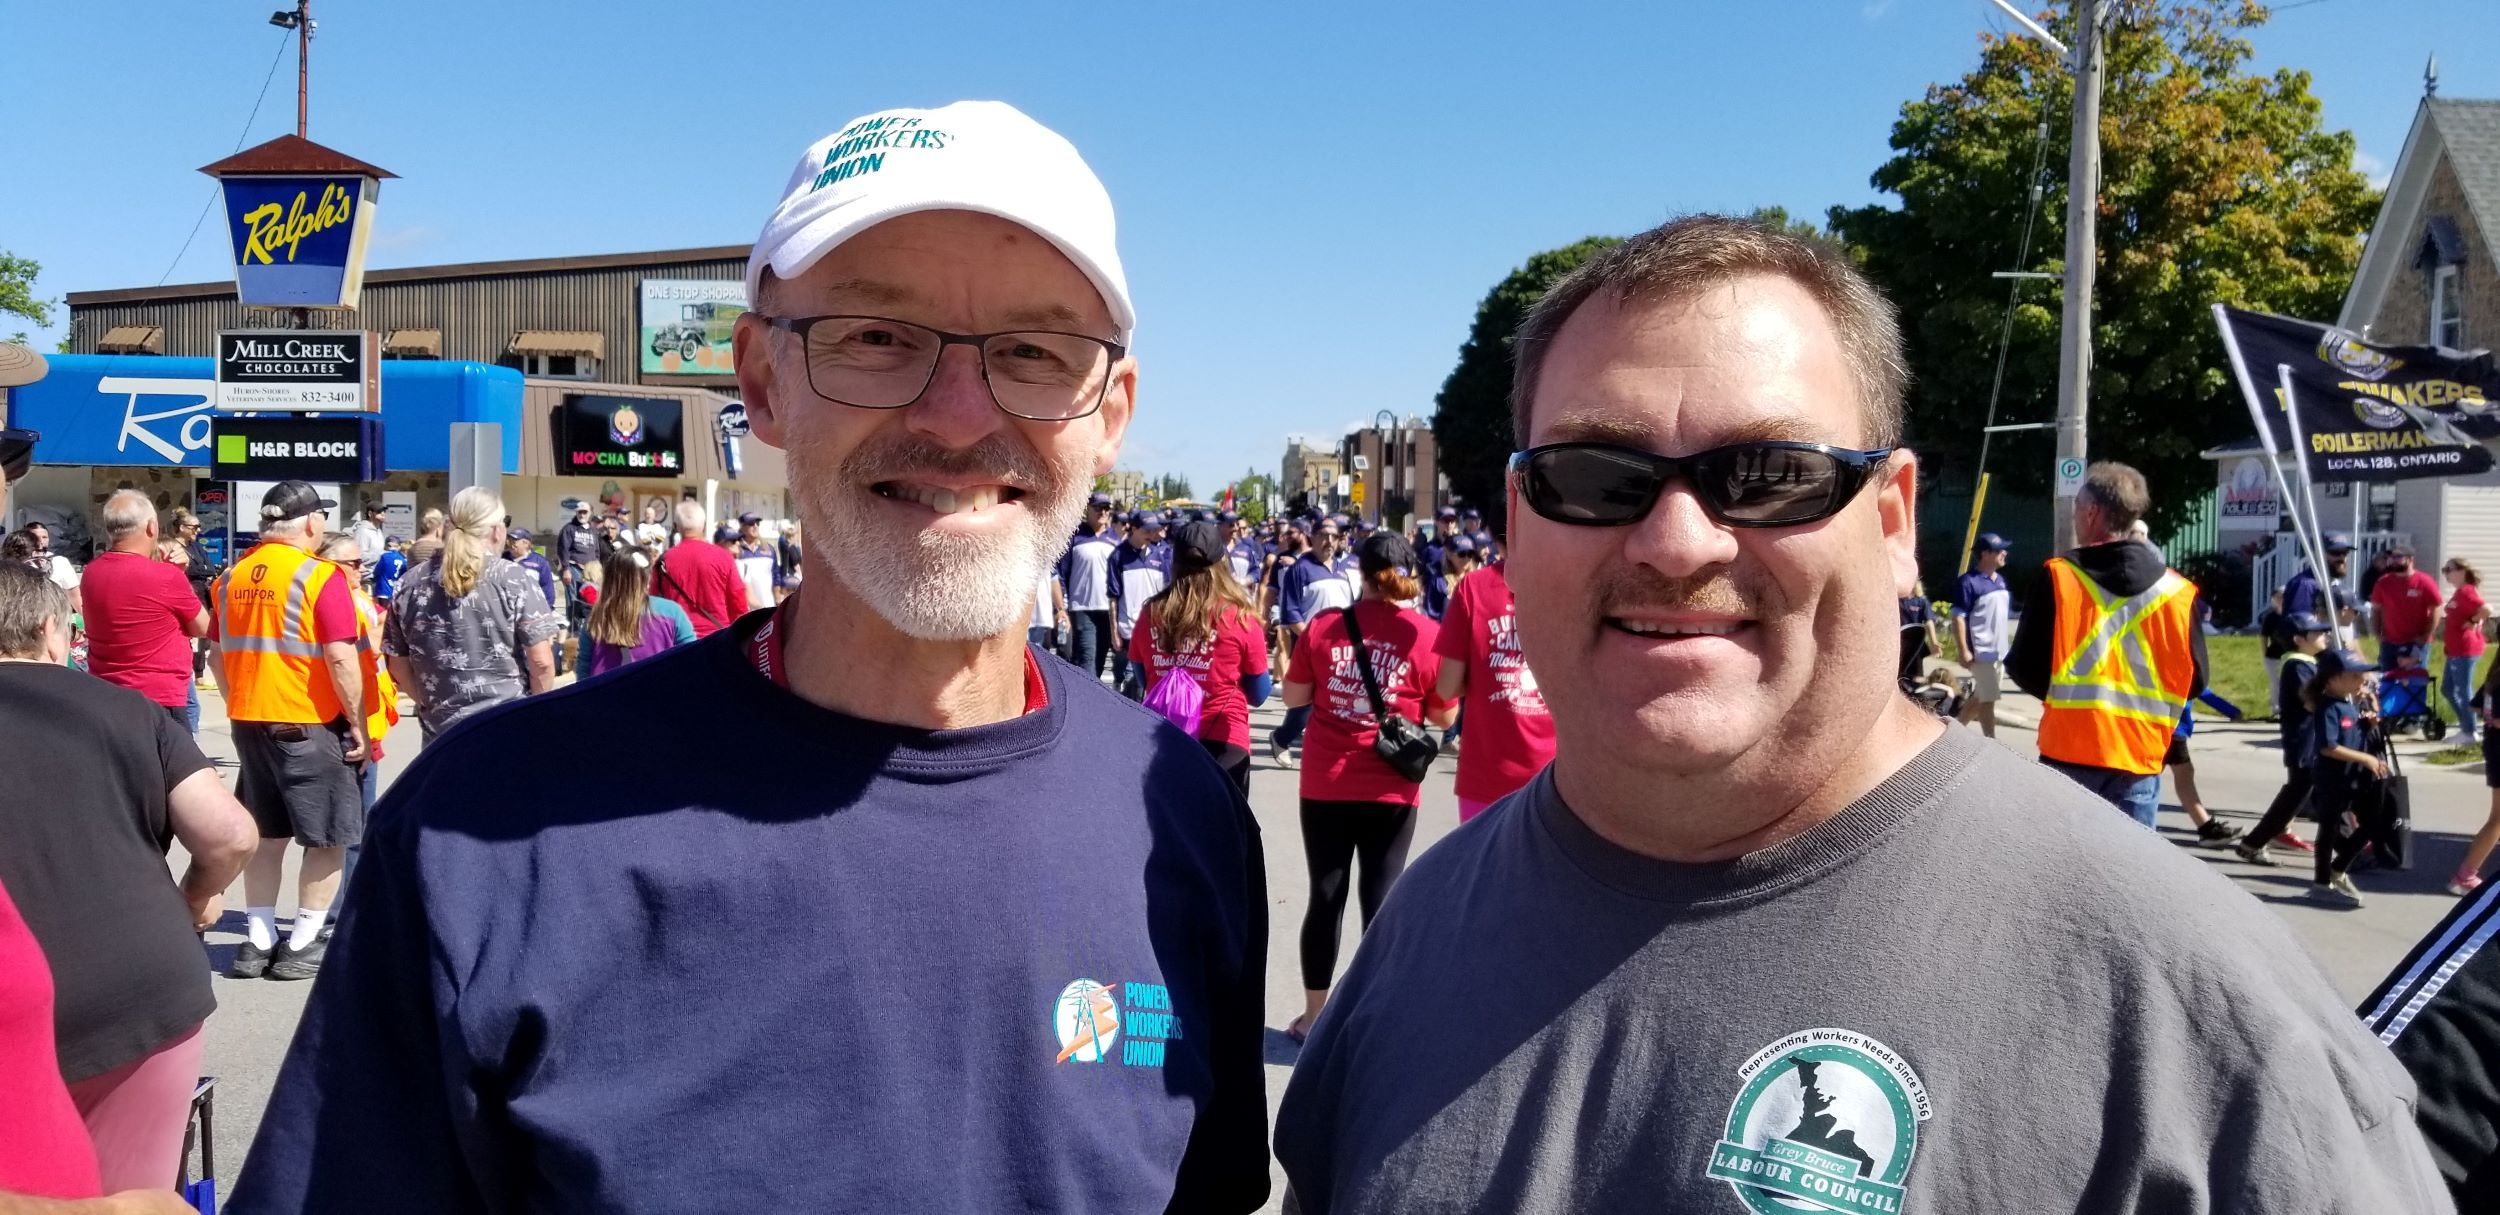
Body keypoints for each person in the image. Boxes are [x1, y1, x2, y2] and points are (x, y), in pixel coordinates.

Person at [1271, 214, 2447, 1212]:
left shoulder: (2195, 1015)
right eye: (1593, 476)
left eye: (1771, 474)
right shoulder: (1425, 926)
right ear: (1518, 527)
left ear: (1890, 520)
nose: (1677, 542)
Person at [233, 100, 1270, 1213]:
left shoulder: (1182, 821)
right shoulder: (486, 830)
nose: (962, 417)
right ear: (762, 382)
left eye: (1034, 349)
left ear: (1109, 411)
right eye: (877, 336)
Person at [0, 563, 258, 1192]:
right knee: (133, 1198)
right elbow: (230, 833)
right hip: (140, 988)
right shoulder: (128, 710)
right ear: (48, 629)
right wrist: (193, 898)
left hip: (16, 998)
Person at [1280, 532, 1450, 1043]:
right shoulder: (1425, 634)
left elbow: (1293, 696)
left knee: (1325, 897)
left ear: (1359, 570)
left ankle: (1314, 1017)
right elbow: (1444, 714)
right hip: (1392, 787)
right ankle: (1379, 1017)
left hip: (1327, 779)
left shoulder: (1326, 626)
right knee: (1383, 900)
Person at [211, 480, 369, 983]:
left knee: (265, 835)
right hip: (307, 721)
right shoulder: (320, 577)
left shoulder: (231, 576)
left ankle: (258, 940)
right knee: (326, 838)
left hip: (248, 719)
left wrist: (239, 694)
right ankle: (302, 941)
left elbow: (217, 654)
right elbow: (341, 657)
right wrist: (359, 723)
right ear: (309, 523)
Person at [2007, 462, 2208, 828]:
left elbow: (2023, 667)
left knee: (2058, 876)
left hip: (2068, 754)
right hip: (2139, 760)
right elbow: (2196, 681)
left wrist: (2071, 701)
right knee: (2125, 880)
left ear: (2091, 512)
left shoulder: (2059, 576)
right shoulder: (2180, 592)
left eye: (2076, 508)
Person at [383, 486, 559, 743]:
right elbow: (541, 662)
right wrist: (536, 710)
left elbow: (397, 663)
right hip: (507, 727)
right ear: (497, 531)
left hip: (441, 734)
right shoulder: (513, 578)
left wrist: (430, 704)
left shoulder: (409, 583)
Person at [1129, 519, 1270, 794]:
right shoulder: (1240, 617)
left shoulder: (1151, 614)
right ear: (1222, 562)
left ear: (1175, 562)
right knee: (1227, 833)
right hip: (1224, 742)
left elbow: (1141, 675)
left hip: (1165, 739)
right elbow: (1259, 693)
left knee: (1169, 833)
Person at [1431, 543, 1548, 818]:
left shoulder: (1474, 587)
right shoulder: (1571, 582)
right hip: (1557, 776)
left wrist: (1485, 679)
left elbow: (1447, 686)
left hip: (1487, 772)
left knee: (1487, 861)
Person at [76, 491, 209, 733]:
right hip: (160, 697)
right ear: (151, 527)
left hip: (108, 692)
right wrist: (176, 573)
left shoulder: (92, 573)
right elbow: (202, 626)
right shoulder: (166, 576)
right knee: (176, 770)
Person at [2237, 612, 2333, 866]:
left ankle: (2259, 839)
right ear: (2299, 639)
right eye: (2317, 633)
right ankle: (2254, 842)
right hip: (2303, 740)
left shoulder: (2307, 662)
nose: (2325, 636)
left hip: (2310, 740)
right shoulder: (2297, 665)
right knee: (2298, 792)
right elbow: (2311, 702)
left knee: (2304, 791)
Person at [2305, 647, 2387, 908]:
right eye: (2353, 676)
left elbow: (2363, 734)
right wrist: (2365, 759)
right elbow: (2328, 746)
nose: (2361, 680)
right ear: (2332, 679)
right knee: (2328, 829)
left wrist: (2372, 717)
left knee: (2375, 821)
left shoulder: (2351, 704)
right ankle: (2322, 881)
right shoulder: (2328, 707)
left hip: (2355, 778)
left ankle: (2338, 867)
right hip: (2332, 778)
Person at [579, 548, 695, 678]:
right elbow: (692, 659)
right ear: (647, 578)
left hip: (606, 695)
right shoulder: (672, 612)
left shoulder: (596, 617)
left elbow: (584, 670)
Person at [652, 500, 746, 639]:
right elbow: (738, 604)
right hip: (717, 639)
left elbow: (654, 606)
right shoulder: (723, 557)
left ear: (676, 527)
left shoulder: (663, 561)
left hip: (677, 643)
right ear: (704, 526)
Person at [1951, 532, 2012, 737]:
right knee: (1987, 699)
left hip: (1999, 653)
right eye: (1999, 550)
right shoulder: (1968, 582)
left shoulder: (2000, 581)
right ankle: (1991, 741)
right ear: (1985, 554)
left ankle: (1954, 731)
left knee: (1982, 696)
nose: (2005, 553)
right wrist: (1964, 650)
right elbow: (1958, 618)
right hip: (1981, 652)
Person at [1057, 492, 1120, 682]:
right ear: (1088, 509)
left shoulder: (1115, 540)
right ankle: (1090, 705)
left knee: (1099, 660)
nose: (1102, 512)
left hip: (1107, 609)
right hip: (1082, 608)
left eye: (1106, 509)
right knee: (1087, 659)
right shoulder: (1076, 537)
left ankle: (1090, 696)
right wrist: (1062, 606)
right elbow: (1061, 573)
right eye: (1098, 508)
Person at [1109, 510, 1170, 698]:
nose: (1151, 534)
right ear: (1133, 528)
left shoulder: (1160, 556)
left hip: (1155, 629)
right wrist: (1114, 632)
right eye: (1146, 530)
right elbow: (1113, 597)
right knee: (1127, 675)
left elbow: (1168, 592)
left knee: (1143, 678)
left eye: (1153, 530)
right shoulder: (1118, 556)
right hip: (1127, 628)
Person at [167, 511, 218, 691]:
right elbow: (189, 570)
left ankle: (199, 673)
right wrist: (200, 569)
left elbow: (209, 568)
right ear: (181, 528)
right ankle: (186, 672)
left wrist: (200, 569)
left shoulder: (196, 547)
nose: (198, 530)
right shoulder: (173, 546)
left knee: (203, 636)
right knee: (188, 635)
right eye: (194, 527)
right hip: (186, 592)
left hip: (203, 593)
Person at [2370, 545, 2443, 669]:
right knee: (2388, 682)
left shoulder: (2424, 581)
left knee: (2414, 682)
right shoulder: (2383, 582)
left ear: (2410, 559)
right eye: (2391, 557)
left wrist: (2426, 635)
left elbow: (2436, 608)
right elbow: (2376, 609)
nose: (2393, 560)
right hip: (2390, 642)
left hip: (2416, 642)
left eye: (2398, 557)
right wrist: (2378, 633)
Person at [2441, 557, 2487, 739]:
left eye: (2449, 569)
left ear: (2462, 571)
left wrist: (2473, 621)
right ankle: (2467, 725)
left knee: (2462, 688)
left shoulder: (2467, 592)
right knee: (2447, 689)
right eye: (2444, 570)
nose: (2446, 573)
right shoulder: (2459, 593)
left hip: (2465, 648)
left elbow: (2486, 608)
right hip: (2454, 649)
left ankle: (2470, 731)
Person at [2283, 531, 2353, 626]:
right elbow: (2300, 626)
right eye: (2335, 552)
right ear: (2318, 554)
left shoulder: (2334, 583)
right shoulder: (2305, 585)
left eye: (2345, 552)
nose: (2342, 558)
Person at [732, 512, 780, 610]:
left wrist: (778, 596)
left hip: (767, 606)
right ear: (742, 527)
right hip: (746, 609)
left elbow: (776, 575)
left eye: (757, 523)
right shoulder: (736, 550)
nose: (755, 526)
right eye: (751, 524)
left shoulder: (769, 549)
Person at [554, 503, 602, 584]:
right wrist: (566, 569)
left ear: (590, 513)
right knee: (573, 597)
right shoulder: (568, 528)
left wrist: (597, 568)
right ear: (576, 513)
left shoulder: (593, 531)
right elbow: (563, 550)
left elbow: (596, 551)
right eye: (580, 512)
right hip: (574, 569)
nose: (582, 515)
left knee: (589, 596)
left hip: (590, 571)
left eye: (585, 512)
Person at [349, 503, 388, 582]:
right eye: (379, 511)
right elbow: (358, 556)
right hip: (365, 578)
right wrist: (382, 555)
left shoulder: (378, 531)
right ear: (370, 514)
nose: (383, 514)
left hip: (377, 575)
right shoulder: (362, 531)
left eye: (384, 511)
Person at [369, 536, 407, 606]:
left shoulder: (384, 556)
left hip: (383, 589)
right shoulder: (403, 559)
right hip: (397, 589)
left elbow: (377, 572)